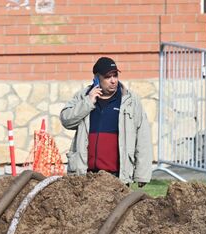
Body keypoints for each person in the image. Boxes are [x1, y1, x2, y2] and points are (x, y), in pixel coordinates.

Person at [60, 56, 152, 186]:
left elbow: (143, 137)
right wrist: (87, 103)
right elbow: (66, 120)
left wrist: (142, 174)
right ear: (97, 78)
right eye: (108, 77)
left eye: (115, 76)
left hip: (117, 177)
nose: (113, 81)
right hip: (85, 176)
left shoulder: (130, 100)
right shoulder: (83, 96)